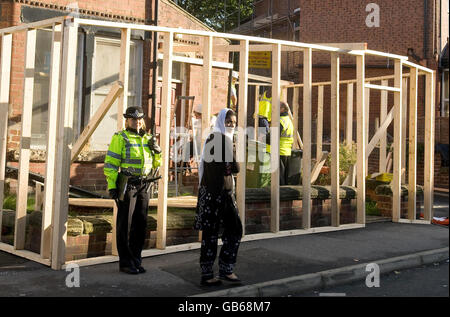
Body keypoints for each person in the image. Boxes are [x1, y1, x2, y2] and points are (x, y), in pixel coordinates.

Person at [104, 106, 162, 274]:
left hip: (144, 185)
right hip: (128, 185)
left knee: (140, 224)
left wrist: (157, 151)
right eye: (133, 119)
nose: (137, 122)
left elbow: (157, 164)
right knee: (125, 224)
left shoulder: (148, 138)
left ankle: (136, 259)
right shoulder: (120, 138)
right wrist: (112, 186)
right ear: (127, 120)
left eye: (139, 119)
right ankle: (125, 262)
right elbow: (111, 164)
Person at [194, 108, 243, 286]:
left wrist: (229, 164)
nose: (231, 125)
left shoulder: (223, 139)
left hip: (223, 194)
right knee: (213, 234)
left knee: (232, 231)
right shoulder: (217, 139)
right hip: (215, 196)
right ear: (222, 121)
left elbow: (231, 167)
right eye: (228, 122)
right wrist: (229, 164)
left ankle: (223, 270)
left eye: (234, 122)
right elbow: (235, 168)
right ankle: (210, 275)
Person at [265, 101, 294, 185]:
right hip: (285, 152)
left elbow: (271, 139)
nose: (273, 109)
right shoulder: (288, 121)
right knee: (283, 178)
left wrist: (265, 137)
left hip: (278, 152)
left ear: (282, 109)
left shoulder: (280, 121)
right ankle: (284, 197)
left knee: (278, 179)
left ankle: (279, 197)